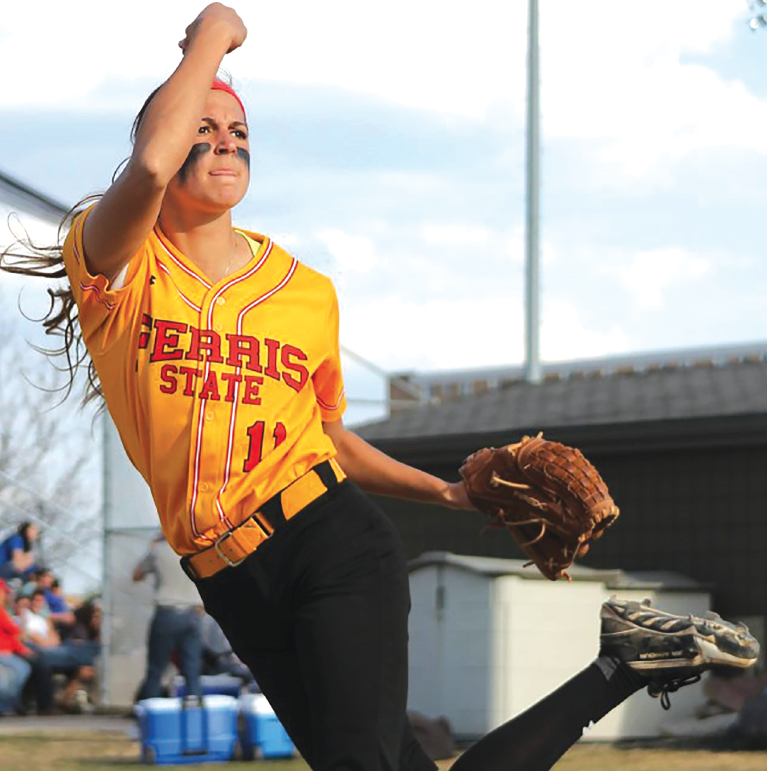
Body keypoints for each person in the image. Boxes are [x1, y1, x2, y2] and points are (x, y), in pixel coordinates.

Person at [0, 4, 758, 768]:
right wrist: (209, 39)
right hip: (229, 581)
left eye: (238, 131)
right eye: (202, 126)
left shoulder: (304, 291)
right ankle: (619, 665)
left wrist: (448, 495)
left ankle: (618, 666)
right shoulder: (118, 264)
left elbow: (325, 436)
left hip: (328, 541)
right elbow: (154, 165)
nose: (224, 139)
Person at [133, 534, 203, 702]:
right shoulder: (196, 549)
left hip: (167, 612)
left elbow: (136, 575)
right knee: (192, 668)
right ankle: (194, 711)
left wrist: (151, 547)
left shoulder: (159, 550)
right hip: (194, 613)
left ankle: (150, 711)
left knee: (156, 668)